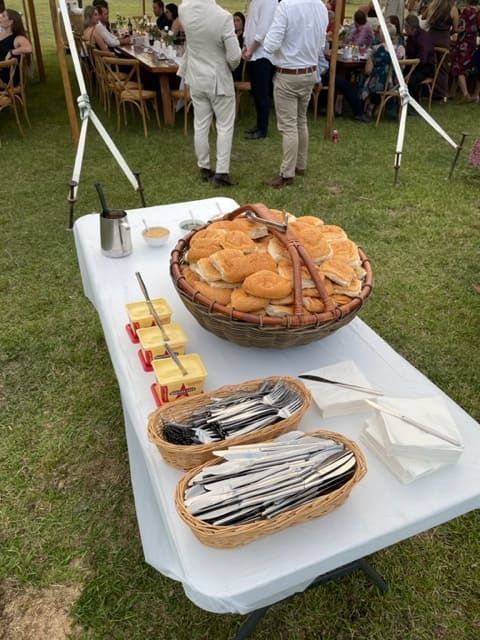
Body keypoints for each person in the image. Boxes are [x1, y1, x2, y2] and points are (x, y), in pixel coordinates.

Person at [263, 0, 328, 188]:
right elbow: (321, 43)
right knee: (300, 120)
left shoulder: (286, 6)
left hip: (289, 72)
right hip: (310, 71)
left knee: (289, 125)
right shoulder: (321, 6)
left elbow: (270, 44)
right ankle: (300, 164)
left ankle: (286, 172)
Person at [178, 0, 241, 186]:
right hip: (217, 78)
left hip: (196, 76)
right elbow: (234, 56)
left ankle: (204, 167)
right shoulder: (223, 17)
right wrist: (231, 65)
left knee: (201, 124)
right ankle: (221, 171)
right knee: (224, 126)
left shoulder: (184, 9)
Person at [241, 0, 277, 140]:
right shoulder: (255, 2)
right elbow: (250, 27)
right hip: (253, 53)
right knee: (256, 92)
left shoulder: (269, 2)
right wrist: (245, 45)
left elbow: (263, 30)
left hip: (262, 54)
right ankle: (258, 124)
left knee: (262, 94)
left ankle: (263, 128)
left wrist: (251, 49)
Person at [359, 22, 404, 118]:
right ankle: (381, 105)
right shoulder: (400, 49)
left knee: (366, 77)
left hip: (379, 84)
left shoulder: (376, 49)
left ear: (382, 35)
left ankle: (370, 104)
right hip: (396, 83)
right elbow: (403, 67)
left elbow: (368, 70)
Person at [425, 0, 459, 100]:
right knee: (443, 67)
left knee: (430, 65)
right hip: (444, 39)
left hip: (431, 38)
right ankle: (441, 93)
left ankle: (428, 91)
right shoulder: (453, 9)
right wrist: (451, 32)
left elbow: (425, 18)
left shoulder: (433, 6)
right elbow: (455, 28)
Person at [451, 0, 480, 101]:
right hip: (472, 42)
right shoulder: (478, 13)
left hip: (464, 43)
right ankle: (456, 92)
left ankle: (465, 94)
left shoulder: (466, 12)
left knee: (459, 67)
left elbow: (459, 27)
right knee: (466, 66)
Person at [404, 13, 436, 101]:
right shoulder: (411, 37)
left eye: (406, 26)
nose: (405, 28)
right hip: (413, 64)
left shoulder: (422, 38)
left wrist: (410, 70)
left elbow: (423, 59)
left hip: (424, 66)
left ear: (412, 27)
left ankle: (414, 103)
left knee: (411, 80)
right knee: (398, 75)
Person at [0, 8, 32, 84]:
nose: (0, 17)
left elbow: (29, 48)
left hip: (8, 76)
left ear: (11, 22)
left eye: (3, 16)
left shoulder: (17, 38)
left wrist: (12, 52)